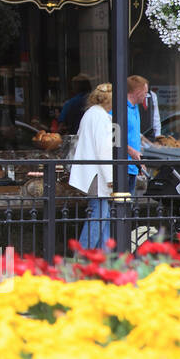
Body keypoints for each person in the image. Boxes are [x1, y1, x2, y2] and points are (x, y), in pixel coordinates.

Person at [69, 83, 115, 250]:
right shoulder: (101, 117)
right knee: (98, 215)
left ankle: (104, 256)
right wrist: (111, 178)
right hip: (98, 173)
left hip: (91, 172)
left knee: (103, 215)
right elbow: (104, 150)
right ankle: (82, 256)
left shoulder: (90, 114)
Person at [126, 75, 151, 189]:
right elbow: (112, 138)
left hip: (133, 166)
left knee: (128, 203)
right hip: (122, 167)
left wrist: (141, 162)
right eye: (145, 92)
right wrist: (132, 153)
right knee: (120, 203)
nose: (146, 96)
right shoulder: (119, 108)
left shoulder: (135, 108)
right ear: (137, 92)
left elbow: (134, 136)